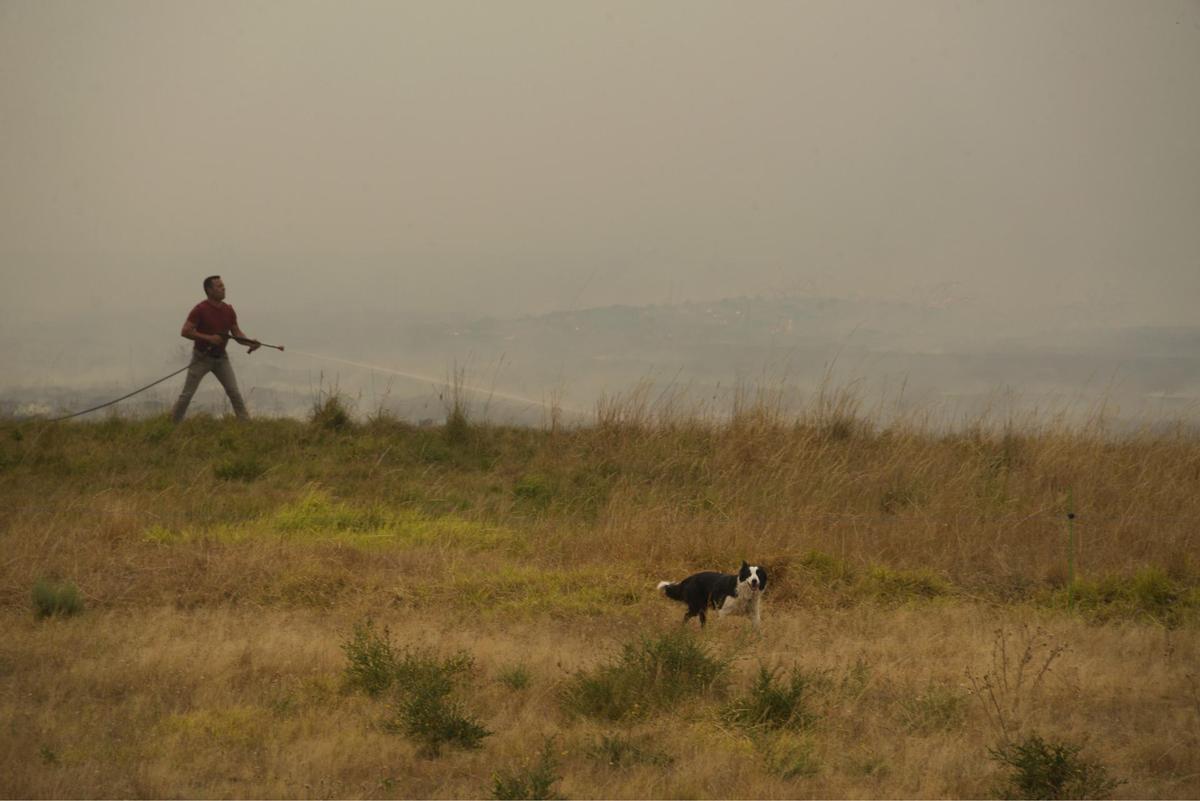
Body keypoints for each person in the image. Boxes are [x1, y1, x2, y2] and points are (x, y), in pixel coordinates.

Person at [171, 275, 261, 422]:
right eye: (219, 286)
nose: (223, 288)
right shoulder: (200, 309)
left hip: (221, 359)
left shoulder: (228, 310)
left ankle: (246, 425)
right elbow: (185, 331)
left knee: (234, 392)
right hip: (201, 358)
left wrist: (250, 342)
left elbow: (236, 333)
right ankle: (172, 424)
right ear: (209, 290)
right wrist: (209, 338)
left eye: (223, 285)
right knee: (187, 394)